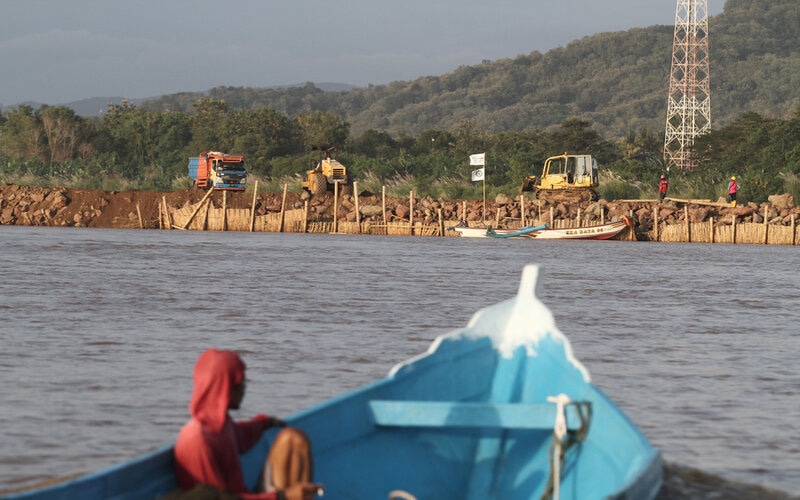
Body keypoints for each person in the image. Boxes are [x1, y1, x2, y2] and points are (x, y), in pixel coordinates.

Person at [175, 349, 322, 500]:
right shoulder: (197, 440)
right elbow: (217, 498)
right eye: (240, 383)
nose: (244, 388)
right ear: (224, 387)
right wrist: (283, 496)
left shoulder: (222, 424)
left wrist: (265, 422)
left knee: (294, 438)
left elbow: (242, 436)